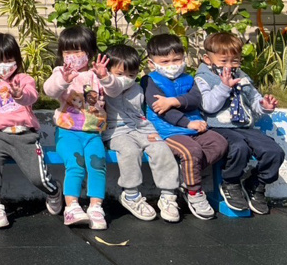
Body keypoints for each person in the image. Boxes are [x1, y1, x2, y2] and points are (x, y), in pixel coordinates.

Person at [0, 33, 61, 229]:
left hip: (25, 136)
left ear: (17, 59)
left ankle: (54, 191)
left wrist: (20, 95)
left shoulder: (24, 80)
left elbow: (31, 96)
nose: (4, 65)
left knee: (38, 178)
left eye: (9, 60)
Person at [195, 32, 284, 215]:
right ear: (208, 59)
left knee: (274, 152)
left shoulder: (242, 77)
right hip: (217, 127)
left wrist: (264, 106)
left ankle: (256, 184)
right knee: (238, 148)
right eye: (223, 61)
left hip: (244, 126)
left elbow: (254, 100)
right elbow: (208, 106)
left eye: (234, 61)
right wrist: (224, 87)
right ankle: (230, 182)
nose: (229, 66)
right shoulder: (203, 78)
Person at [143, 33, 225, 220]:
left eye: (176, 59)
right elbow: (162, 110)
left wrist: (173, 101)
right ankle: (194, 192)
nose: (172, 65)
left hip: (194, 127)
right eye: (165, 61)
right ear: (151, 63)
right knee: (191, 151)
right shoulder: (150, 81)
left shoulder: (189, 79)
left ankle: (187, 176)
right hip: (166, 131)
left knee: (219, 143)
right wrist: (187, 122)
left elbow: (195, 99)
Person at [43, 27, 118, 230]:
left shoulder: (97, 75)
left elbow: (114, 91)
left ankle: (96, 207)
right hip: (67, 133)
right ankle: (72, 206)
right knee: (75, 164)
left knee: (98, 164)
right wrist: (63, 80)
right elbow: (49, 90)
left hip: (93, 134)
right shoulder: (61, 73)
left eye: (78, 51)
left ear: (90, 52)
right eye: (67, 52)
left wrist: (105, 77)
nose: (72, 56)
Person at [103, 44, 181, 222]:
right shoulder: (105, 87)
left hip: (142, 128)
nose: (126, 79)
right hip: (116, 131)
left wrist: (152, 130)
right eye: (119, 74)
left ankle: (168, 196)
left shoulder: (138, 89)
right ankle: (130, 194)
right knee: (129, 151)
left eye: (131, 75)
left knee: (161, 148)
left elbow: (144, 113)